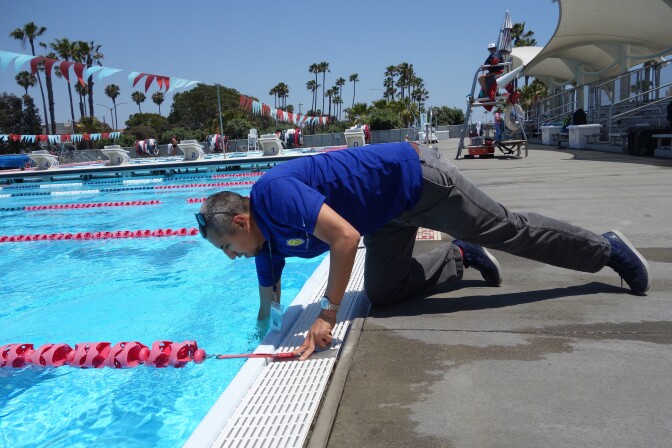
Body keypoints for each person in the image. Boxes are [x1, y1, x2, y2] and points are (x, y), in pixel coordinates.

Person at [196, 142, 650, 360]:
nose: (230, 255)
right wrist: (258, 343)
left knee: (505, 229)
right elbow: (267, 305)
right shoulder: (266, 246)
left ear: (240, 221)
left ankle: (603, 249)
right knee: (383, 291)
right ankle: (460, 257)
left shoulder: (273, 194)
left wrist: (327, 314)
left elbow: (345, 239)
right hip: (384, 219)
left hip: (416, 183)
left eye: (226, 246)